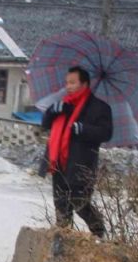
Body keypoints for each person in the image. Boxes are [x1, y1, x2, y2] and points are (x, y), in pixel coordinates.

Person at [41, 66, 113, 236]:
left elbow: (106, 133)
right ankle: (63, 240)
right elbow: (45, 125)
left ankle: (99, 233)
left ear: (84, 84)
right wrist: (52, 111)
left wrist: (83, 129)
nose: (68, 86)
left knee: (80, 203)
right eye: (67, 82)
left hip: (81, 165)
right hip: (58, 162)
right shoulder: (64, 104)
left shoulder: (99, 107)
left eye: (73, 82)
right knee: (61, 205)